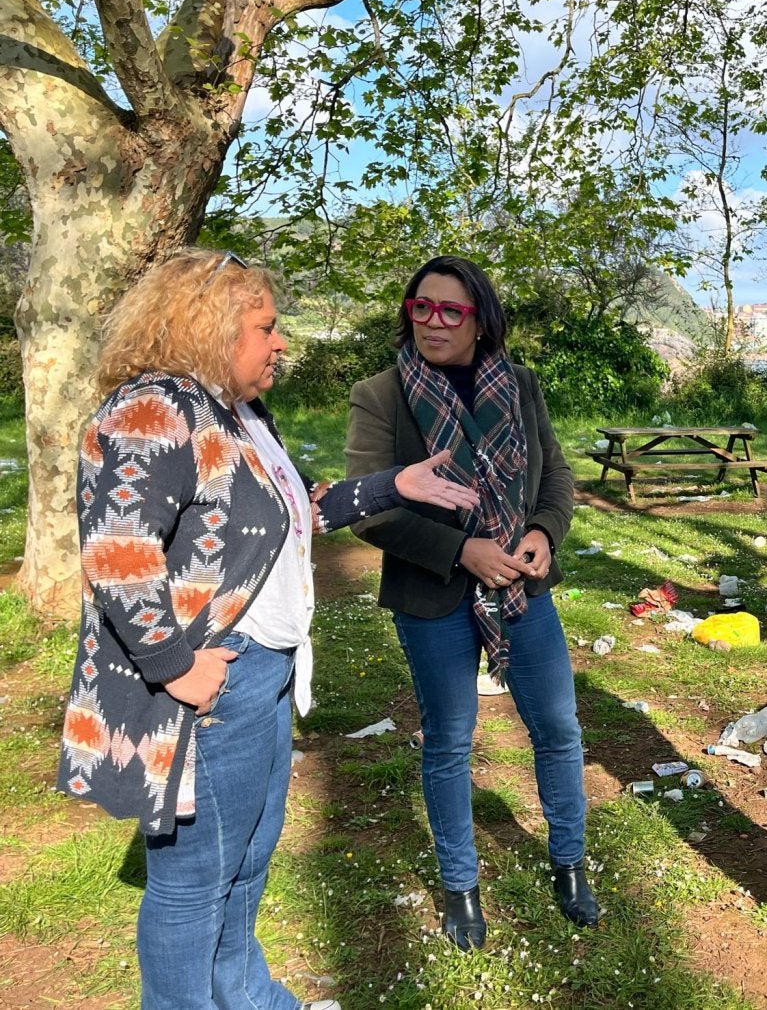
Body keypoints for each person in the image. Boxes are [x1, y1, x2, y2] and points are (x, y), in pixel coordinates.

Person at [56, 248, 480, 1010]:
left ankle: (247, 995)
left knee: (247, 859)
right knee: (192, 885)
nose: (280, 342)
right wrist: (176, 666)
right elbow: (116, 551)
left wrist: (393, 485)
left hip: (261, 675)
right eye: (267, 327)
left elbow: (288, 513)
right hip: (214, 680)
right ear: (211, 328)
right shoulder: (154, 408)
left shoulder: (236, 413)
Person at [345, 254, 594, 951]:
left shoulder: (520, 386)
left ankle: (570, 864)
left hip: (522, 584)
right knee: (450, 742)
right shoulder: (380, 395)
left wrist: (543, 532)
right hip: (432, 594)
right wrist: (461, 552)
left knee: (558, 728)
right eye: (420, 307)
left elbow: (557, 477)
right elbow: (372, 509)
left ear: (480, 322)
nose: (432, 322)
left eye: (450, 311)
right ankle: (461, 885)